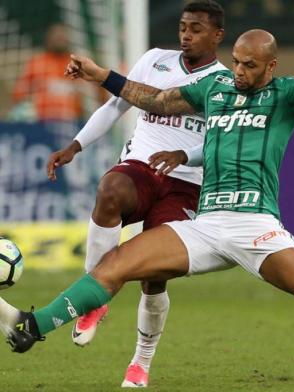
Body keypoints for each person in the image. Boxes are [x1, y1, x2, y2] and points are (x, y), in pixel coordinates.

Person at [1, 14, 294, 388]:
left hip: (255, 226)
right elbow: (155, 100)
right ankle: (33, 327)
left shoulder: (285, 94)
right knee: (116, 264)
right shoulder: (215, 89)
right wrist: (102, 75)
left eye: (250, 66)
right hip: (205, 226)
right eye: (236, 62)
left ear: (270, 67)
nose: (239, 71)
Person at [45, 1, 226, 387]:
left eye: (196, 28)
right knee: (110, 189)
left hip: (186, 183)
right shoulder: (155, 60)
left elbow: (220, 146)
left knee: (152, 278)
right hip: (141, 167)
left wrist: (183, 154)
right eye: (182, 26)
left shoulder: (225, 82)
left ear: (217, 36)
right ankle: (95, 297)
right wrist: (75, 145)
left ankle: (140, 363)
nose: (186, 35)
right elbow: (116, 105)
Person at [12, 23, 84, 122]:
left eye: (62, 37)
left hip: (73, 120)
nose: (59, 40)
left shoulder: (78, 64)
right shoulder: (37, 63)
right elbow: (18, 93)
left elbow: (93, 94)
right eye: (56, 37)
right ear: (48, 40)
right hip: (41, 121)